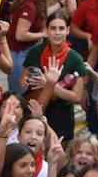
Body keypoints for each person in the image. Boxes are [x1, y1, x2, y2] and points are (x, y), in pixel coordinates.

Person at [21, 11, 87, 141]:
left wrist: (49, 85)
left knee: (57, 153)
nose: (57, 32)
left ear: (68, 30)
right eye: (53, 28)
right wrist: (24, 81)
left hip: (61, 112)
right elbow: (22, 79)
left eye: (61, 28)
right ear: (46, 30)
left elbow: (77, 97)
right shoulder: (36, 51)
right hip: (34, 105)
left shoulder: (76, 59)